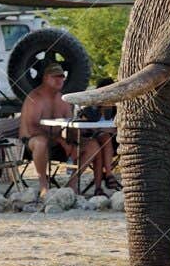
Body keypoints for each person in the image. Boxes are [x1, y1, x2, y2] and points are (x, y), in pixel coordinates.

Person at [19, 62, 111, 195]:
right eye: (55, 76)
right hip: (30, 143)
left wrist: (74, 141)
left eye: (62, 76)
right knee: (40, 142)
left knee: (93, 146)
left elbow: (70, 125)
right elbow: (32, 128)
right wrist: (61, 141)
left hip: (56, 143)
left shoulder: (62, 99)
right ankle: (43, 185)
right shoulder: (35, 98)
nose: (60, 79)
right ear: (45, 78)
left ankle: (72, 184)